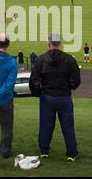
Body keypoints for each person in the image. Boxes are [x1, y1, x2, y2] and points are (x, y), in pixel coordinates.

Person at [29, 33, 81, 162]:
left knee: (46, 125)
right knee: (68, 126)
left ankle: (44, 150)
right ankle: (72, 153)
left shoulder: (41, 59)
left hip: (47, 97)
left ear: (49, 43)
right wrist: (70, 87)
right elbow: (76, 80)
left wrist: (39, 91)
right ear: (60, 43)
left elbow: (34, 79)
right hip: (64, 97)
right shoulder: (69, 59)